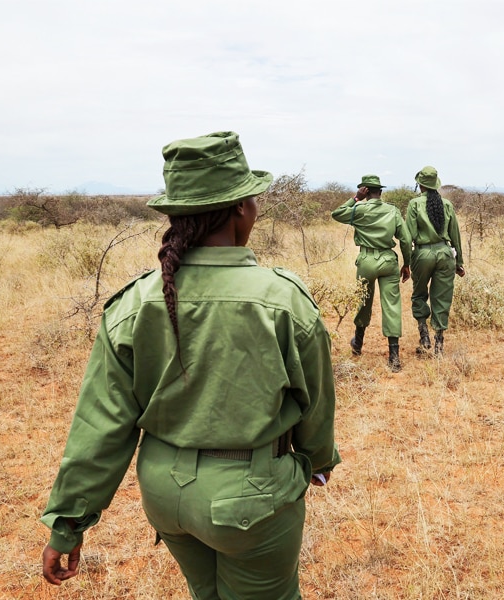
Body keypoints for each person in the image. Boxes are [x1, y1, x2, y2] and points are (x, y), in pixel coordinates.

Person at [40, 131, 340, 600]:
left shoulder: (135, 301)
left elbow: (101, 425)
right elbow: (316, 402)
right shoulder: (282, 299)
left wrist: (68, 524)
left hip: (165, 495)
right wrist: (317, 463)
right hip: (250, 498)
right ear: (242, 207)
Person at [331, 174, 412, 372]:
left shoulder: (358, 209)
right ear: (380, 192)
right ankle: (394, 356)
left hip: (366, 260)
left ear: (365, 191)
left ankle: (358, 343)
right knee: (392, 304)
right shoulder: (392, 211)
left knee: (363, 301)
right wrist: (407, 264)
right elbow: (406, 239)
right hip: (388, 260)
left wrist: (356, 198)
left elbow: (337, 213)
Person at [405, 166, 465, 355]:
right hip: (446, 254)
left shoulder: (414, 204)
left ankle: (424, 337)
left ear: (420, 185)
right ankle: (439, 344)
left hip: (422, 254)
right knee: (442, 297)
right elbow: (455, 234)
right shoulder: (446, 204)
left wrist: (406, 262)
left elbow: (409, 236)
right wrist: (459, 262)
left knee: (419, 294)